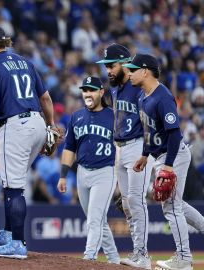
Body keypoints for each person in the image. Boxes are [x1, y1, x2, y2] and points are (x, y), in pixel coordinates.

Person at [0, 24, 55, 259]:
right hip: (37, 122)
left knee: (14, 188)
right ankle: (8, 233)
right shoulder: (24, 62)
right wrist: (50, 127)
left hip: (15, 125)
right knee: (11, 184)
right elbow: (46, 98)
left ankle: (18, 243)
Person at [125, 54, 204, 270]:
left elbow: (175, 134)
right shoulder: (142, 96)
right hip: (160, 155)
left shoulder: (163, 97)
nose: (129, 73)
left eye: (133, 69)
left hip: (174, 154)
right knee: (176, 204)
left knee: (170, 207)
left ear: (145, 71)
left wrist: (168, 165)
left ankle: (184, 259)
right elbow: (149, 132)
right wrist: (144, 155)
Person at [96, 43, 152, 269]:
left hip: (139, 147)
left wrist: (149, 153)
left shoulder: (137, 85)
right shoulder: (114, 89)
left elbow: (153, 117)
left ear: (126, 65)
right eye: (106, 66)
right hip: (120, 149)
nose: (108, 69)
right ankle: (137, 252)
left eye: (112, 65)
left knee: (137, 203)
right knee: (128, 205)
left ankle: (143, 255)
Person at [57, 76, 120, 263]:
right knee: (97, 219)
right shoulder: (76, 116)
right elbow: (69, 148)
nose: (87, 93)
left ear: (101, 92)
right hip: (82, 172)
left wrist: (121, 176)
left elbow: (122, 147)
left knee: (94, 218)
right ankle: (114, 259)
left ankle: (89, 257)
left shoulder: (114, 115)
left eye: (92, 90)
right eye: (85, 90)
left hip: (105, 172)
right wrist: (63, 176)